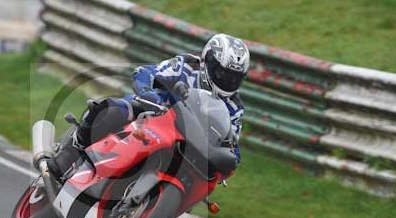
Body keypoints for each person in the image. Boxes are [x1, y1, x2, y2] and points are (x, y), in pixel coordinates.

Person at [48, 33, 250, 179]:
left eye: (234, 77)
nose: (226, 80)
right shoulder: (187, 65)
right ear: (207, 61)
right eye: (221, 72)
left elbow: (232, 144)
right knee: (112, 109)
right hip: (153, 113)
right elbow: (146, 73)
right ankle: (73, 149)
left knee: (200, 178)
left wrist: (229, 157)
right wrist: (149, 94)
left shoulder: (234, 107)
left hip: (186, 144)